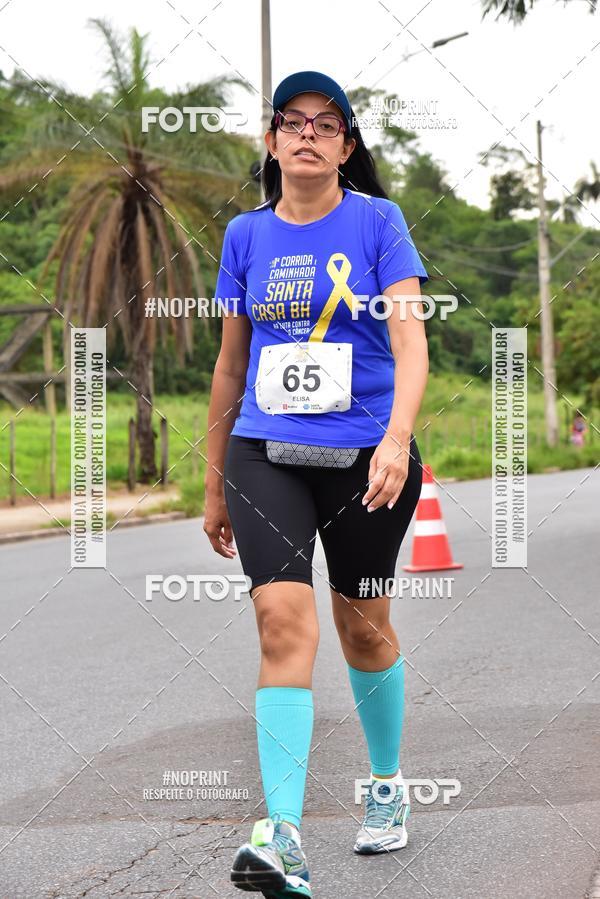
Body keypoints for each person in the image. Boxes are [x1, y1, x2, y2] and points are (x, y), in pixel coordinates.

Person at [203, 70, 429, 898]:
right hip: (266, 451)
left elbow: (410, 342)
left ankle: (385, 781)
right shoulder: (243, 236)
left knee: (364, 627)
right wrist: (214, 481)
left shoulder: (379, 222)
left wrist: (398, 438)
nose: (306, 134)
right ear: (270, 143)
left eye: (325, 124)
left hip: (368, 455)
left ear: (346, 146)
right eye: (290, 122)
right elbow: (231, 365)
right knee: (280, 617)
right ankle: (284, 834)